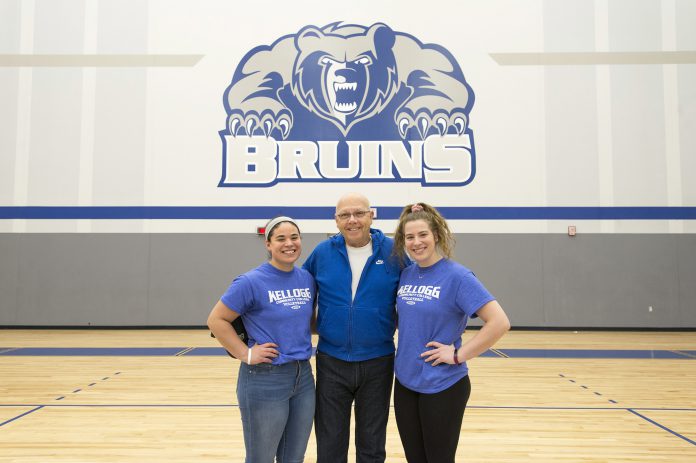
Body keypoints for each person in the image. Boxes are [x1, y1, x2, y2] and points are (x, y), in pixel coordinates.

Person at [391, 203, 510, 463]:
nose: (416, 242)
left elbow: (499, 322)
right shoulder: (406, 275)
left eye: (423, 234)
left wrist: (458, 354)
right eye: (409, 237)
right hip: (406, 383)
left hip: (443, 384)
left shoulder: (458, 276)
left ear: (436, 235)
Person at [302, 192, 402, 463]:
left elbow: (417, 294)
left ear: (372, 215)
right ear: (336, 221)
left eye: (359, 213)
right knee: (330, 442)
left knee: (372, 443)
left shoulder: (395, 252)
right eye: (345, 215)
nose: (352, 220)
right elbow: (299, 291)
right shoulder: (322, 253)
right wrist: (316, 325)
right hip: (331, 361)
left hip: (378, 361)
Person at [207, 216, 316, 463]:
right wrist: (246, 353)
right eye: (280, 239)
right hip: (265, 379)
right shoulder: (251, 281)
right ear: (268, 244)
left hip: (304, 377)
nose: (289, 244)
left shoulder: (306, 279)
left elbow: (306, 321)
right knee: (261, 458)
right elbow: (216, 320)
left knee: (294, 457)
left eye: (294, 237)